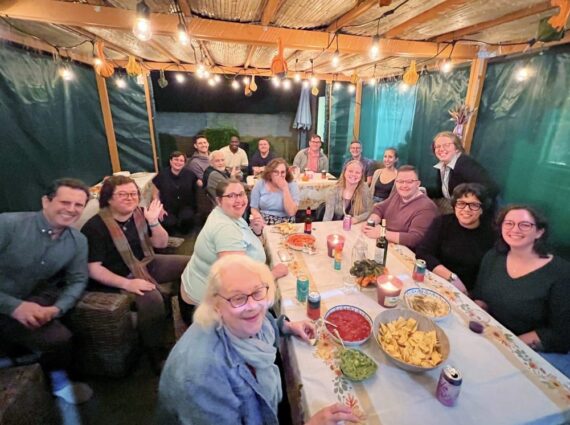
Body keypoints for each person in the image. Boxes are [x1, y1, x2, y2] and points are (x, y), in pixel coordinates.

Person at [158, 255, 360, 425]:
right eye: (238, 298)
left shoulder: (237, 320)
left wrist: (287, 326)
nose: (253, 306)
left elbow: (264, 321)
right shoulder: (201, 376)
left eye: (257, 292)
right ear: (216, 305)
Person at [81, 175, 190, 371]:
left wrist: (154, 222)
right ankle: (154, 353)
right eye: (122, 194)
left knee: (191, 265)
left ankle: (188, 316)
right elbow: (93, 268)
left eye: (133, 193)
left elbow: (161, 244)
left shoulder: (140, 213)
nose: (130, 198)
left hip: (145, 263)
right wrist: (127, 284)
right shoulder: (95, 227)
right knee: (152, 299)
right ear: (108, 198)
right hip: (120, 277)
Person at [0, 178, 93, 404]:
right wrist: (13, 306)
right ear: (45, 201)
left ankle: (53, 387)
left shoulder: (78, 241)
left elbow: (78, 280)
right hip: (8, 304)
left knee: (62, 339)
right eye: (65, 202)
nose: (71, 210)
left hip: (30, 304)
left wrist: (56, 308)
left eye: (78, 205)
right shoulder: (7, 225)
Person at [472, 205, 570, 377]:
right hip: (491, 337)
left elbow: (559, 335)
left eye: (525, 225)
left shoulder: (561, 273)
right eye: (508, 223)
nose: (515, 229)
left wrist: (507, 345)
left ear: (539, 232)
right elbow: (481, 297)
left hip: (535, 352)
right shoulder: (493, 257)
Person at [179, 179, 288, 325]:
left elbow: (242, 243)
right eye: (231, 196)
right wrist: (273, 274)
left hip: (200, 286)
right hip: (206, 308)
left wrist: (255, 232)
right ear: (219, 200)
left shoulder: (227, 214)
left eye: (241, 194)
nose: (239, 200)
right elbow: (237, 282)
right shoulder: (225, 229)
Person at [415, 183, 494, 293]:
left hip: (466, 293)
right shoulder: (442, 222)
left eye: (474, 205)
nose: (466, 209)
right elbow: (423, 252)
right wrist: (452, 277)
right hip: (435, 281)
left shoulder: (491, 234)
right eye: (461, 203)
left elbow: (489, 274)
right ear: (454, 205)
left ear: (482, 209)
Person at [363, 165, 438, 250]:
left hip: (405, 253)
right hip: (386, 243)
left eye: (409, 181)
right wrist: (371, 223)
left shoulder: (427, 207)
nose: (404, 185)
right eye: (400, 181)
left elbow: (415, 238)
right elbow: (379, 208)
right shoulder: (397, 194)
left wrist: (382, 233)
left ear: (418, 184)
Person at [430, 131, 498, 213]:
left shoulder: (464, 163)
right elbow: (442, 192)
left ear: (457, 148)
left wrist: (466, 203)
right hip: (454, 206)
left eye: (446, 145)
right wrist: (420, 189)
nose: (441, 149)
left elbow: (492, 188)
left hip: (470, 212)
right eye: (437, 146)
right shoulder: (442, 165)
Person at [152, 151, 196, 235]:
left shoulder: (190, 175)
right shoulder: (162, 175)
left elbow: (199, 185)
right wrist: (160, 208)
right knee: (168, 223)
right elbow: (155, 194)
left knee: (187, 220)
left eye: (181, 160)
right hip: (167, 207)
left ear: (184, 163)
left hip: (185, 206)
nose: (178, 162)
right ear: (170, 161)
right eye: (176, 159)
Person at [250, 158, 300, 225]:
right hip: (264, 219)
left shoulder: (292, 185)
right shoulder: (260, 183)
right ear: (270, 173)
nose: (279, 175)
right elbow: (254, 208)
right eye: (276, 172)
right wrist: (260, 220)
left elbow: (291, 212)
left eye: (282, 172)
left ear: (286, 173)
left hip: (286, 222)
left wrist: (285, 189)